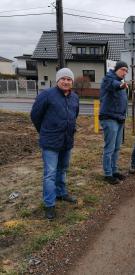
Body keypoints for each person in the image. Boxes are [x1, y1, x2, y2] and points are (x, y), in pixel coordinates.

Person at [30, 68, 79, 220]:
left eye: (69, 79)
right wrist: (44, 131)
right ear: (57, 80)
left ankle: (61, 193)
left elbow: (74, 115)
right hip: (50, 141)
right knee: (50, 174)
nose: (66, 81)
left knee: (63, 169)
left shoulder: (74, 97)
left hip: (67, 140)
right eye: (63, 79)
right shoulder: (47, 95)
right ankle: (49, 205)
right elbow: (35, 115)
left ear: (72, 82)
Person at [99, 61, 129, 184]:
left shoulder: (120, 82)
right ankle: (107, 173)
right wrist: (121, 86)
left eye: (126, 71)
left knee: (117, 147)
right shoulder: (108, 79)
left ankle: (114, 170)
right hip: (109, 118)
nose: (125, 72)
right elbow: (113, 85)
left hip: (119, 119)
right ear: (116, 69)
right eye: (123, 69)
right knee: (110, 147)